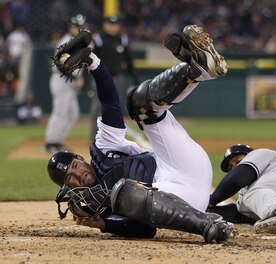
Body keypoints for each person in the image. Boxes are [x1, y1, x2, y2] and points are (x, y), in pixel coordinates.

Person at [46, 25, 234, 243]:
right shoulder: (95, 207)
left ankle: (199, 69)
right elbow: (147, 231)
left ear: (79, 158)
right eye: (71, 178)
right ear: (69, 187)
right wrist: (105, 224)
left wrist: (94, 63)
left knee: (138, 104)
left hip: (184, 164)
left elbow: (109, 101)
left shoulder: (104, 149)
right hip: (186, 201)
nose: (78, 175)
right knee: (123, 193)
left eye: (74, 167)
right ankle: (208, 225)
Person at [90, 15, 139, 143]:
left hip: (118, 77)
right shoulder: (98, 39)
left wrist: (135, 80)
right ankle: (94, 138)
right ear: (105, 25)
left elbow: (129, 61)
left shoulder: (123, 39)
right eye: (110, 24)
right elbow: (89, 60)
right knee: (97, 107)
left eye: (115, 24)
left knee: (116, 108)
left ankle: (113, 138)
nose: (113, 27)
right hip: (100, 78)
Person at [42, 14, 87, 153]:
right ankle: (50, 143)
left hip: (69, 82)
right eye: (76, 26)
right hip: (61, 80)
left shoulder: (77, 42)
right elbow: (59, 65)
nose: (79, 29)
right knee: (60, 112)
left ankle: (58, 141)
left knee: (73, 114)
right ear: (71, 26)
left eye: (81, 27)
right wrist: (76, 78)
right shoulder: (66, 41)